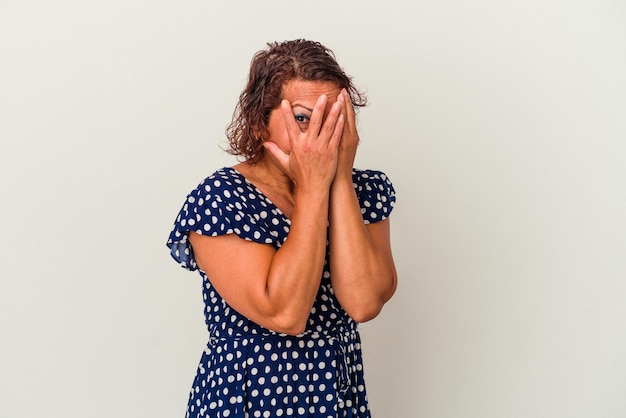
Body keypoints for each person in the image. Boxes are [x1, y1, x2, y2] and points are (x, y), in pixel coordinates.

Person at [167, 39, 397, 418]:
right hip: (250, 397)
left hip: (337, 397)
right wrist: (311, 189)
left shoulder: (365, 191)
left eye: (336, 116)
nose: (322, 133)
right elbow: (285, 314)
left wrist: (337, 181)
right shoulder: (222, 199)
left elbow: (363, 303)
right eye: (304, 118)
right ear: (260, 123)